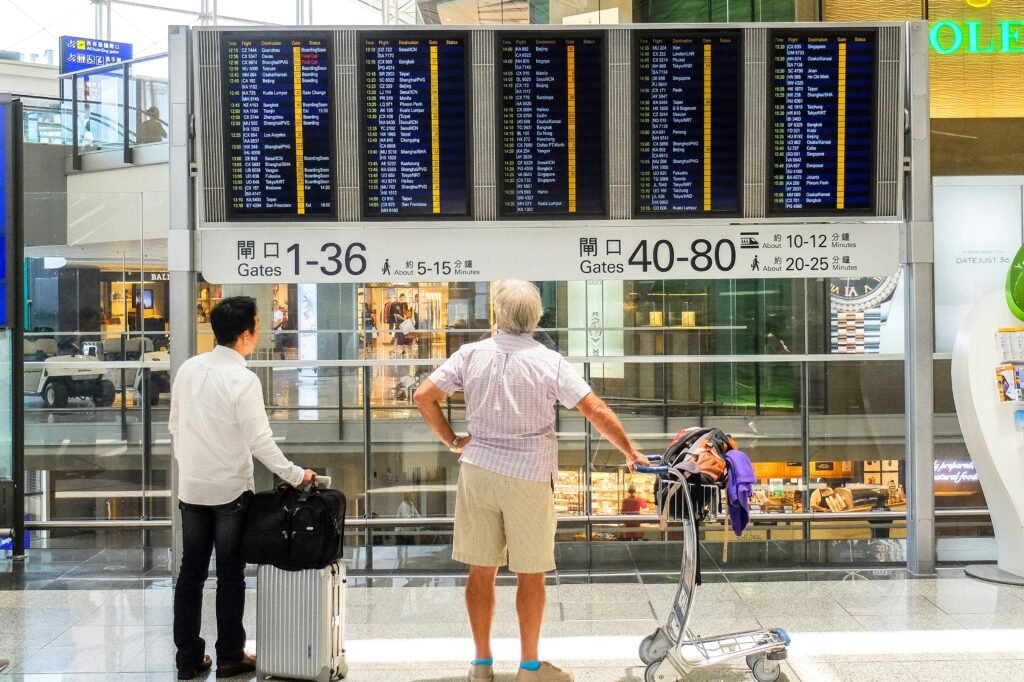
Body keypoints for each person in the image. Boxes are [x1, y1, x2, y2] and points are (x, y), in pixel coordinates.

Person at [413, 280, 648, 682]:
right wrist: (630, 451)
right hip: (529, 477)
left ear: (497, 315)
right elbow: (595, 409)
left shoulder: (470, 355)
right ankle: (529, 668)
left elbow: (423, 395)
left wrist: (453, 440)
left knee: (480, 570)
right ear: (537, 318)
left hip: (479, 470)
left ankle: (482, 666)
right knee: (530, 574)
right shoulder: (549, 361)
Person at [170, 296, 316, 680]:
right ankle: (231, 656)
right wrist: (295, 474)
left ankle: (187, 658)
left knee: (191, 573)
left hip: (191, 488)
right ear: (246, 333)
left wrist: (191, 466)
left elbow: (174, 425)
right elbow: (260, 442)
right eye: (257, 323)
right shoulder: (243, 379)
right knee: (230, 573)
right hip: (230, 491)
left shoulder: (188, 369)